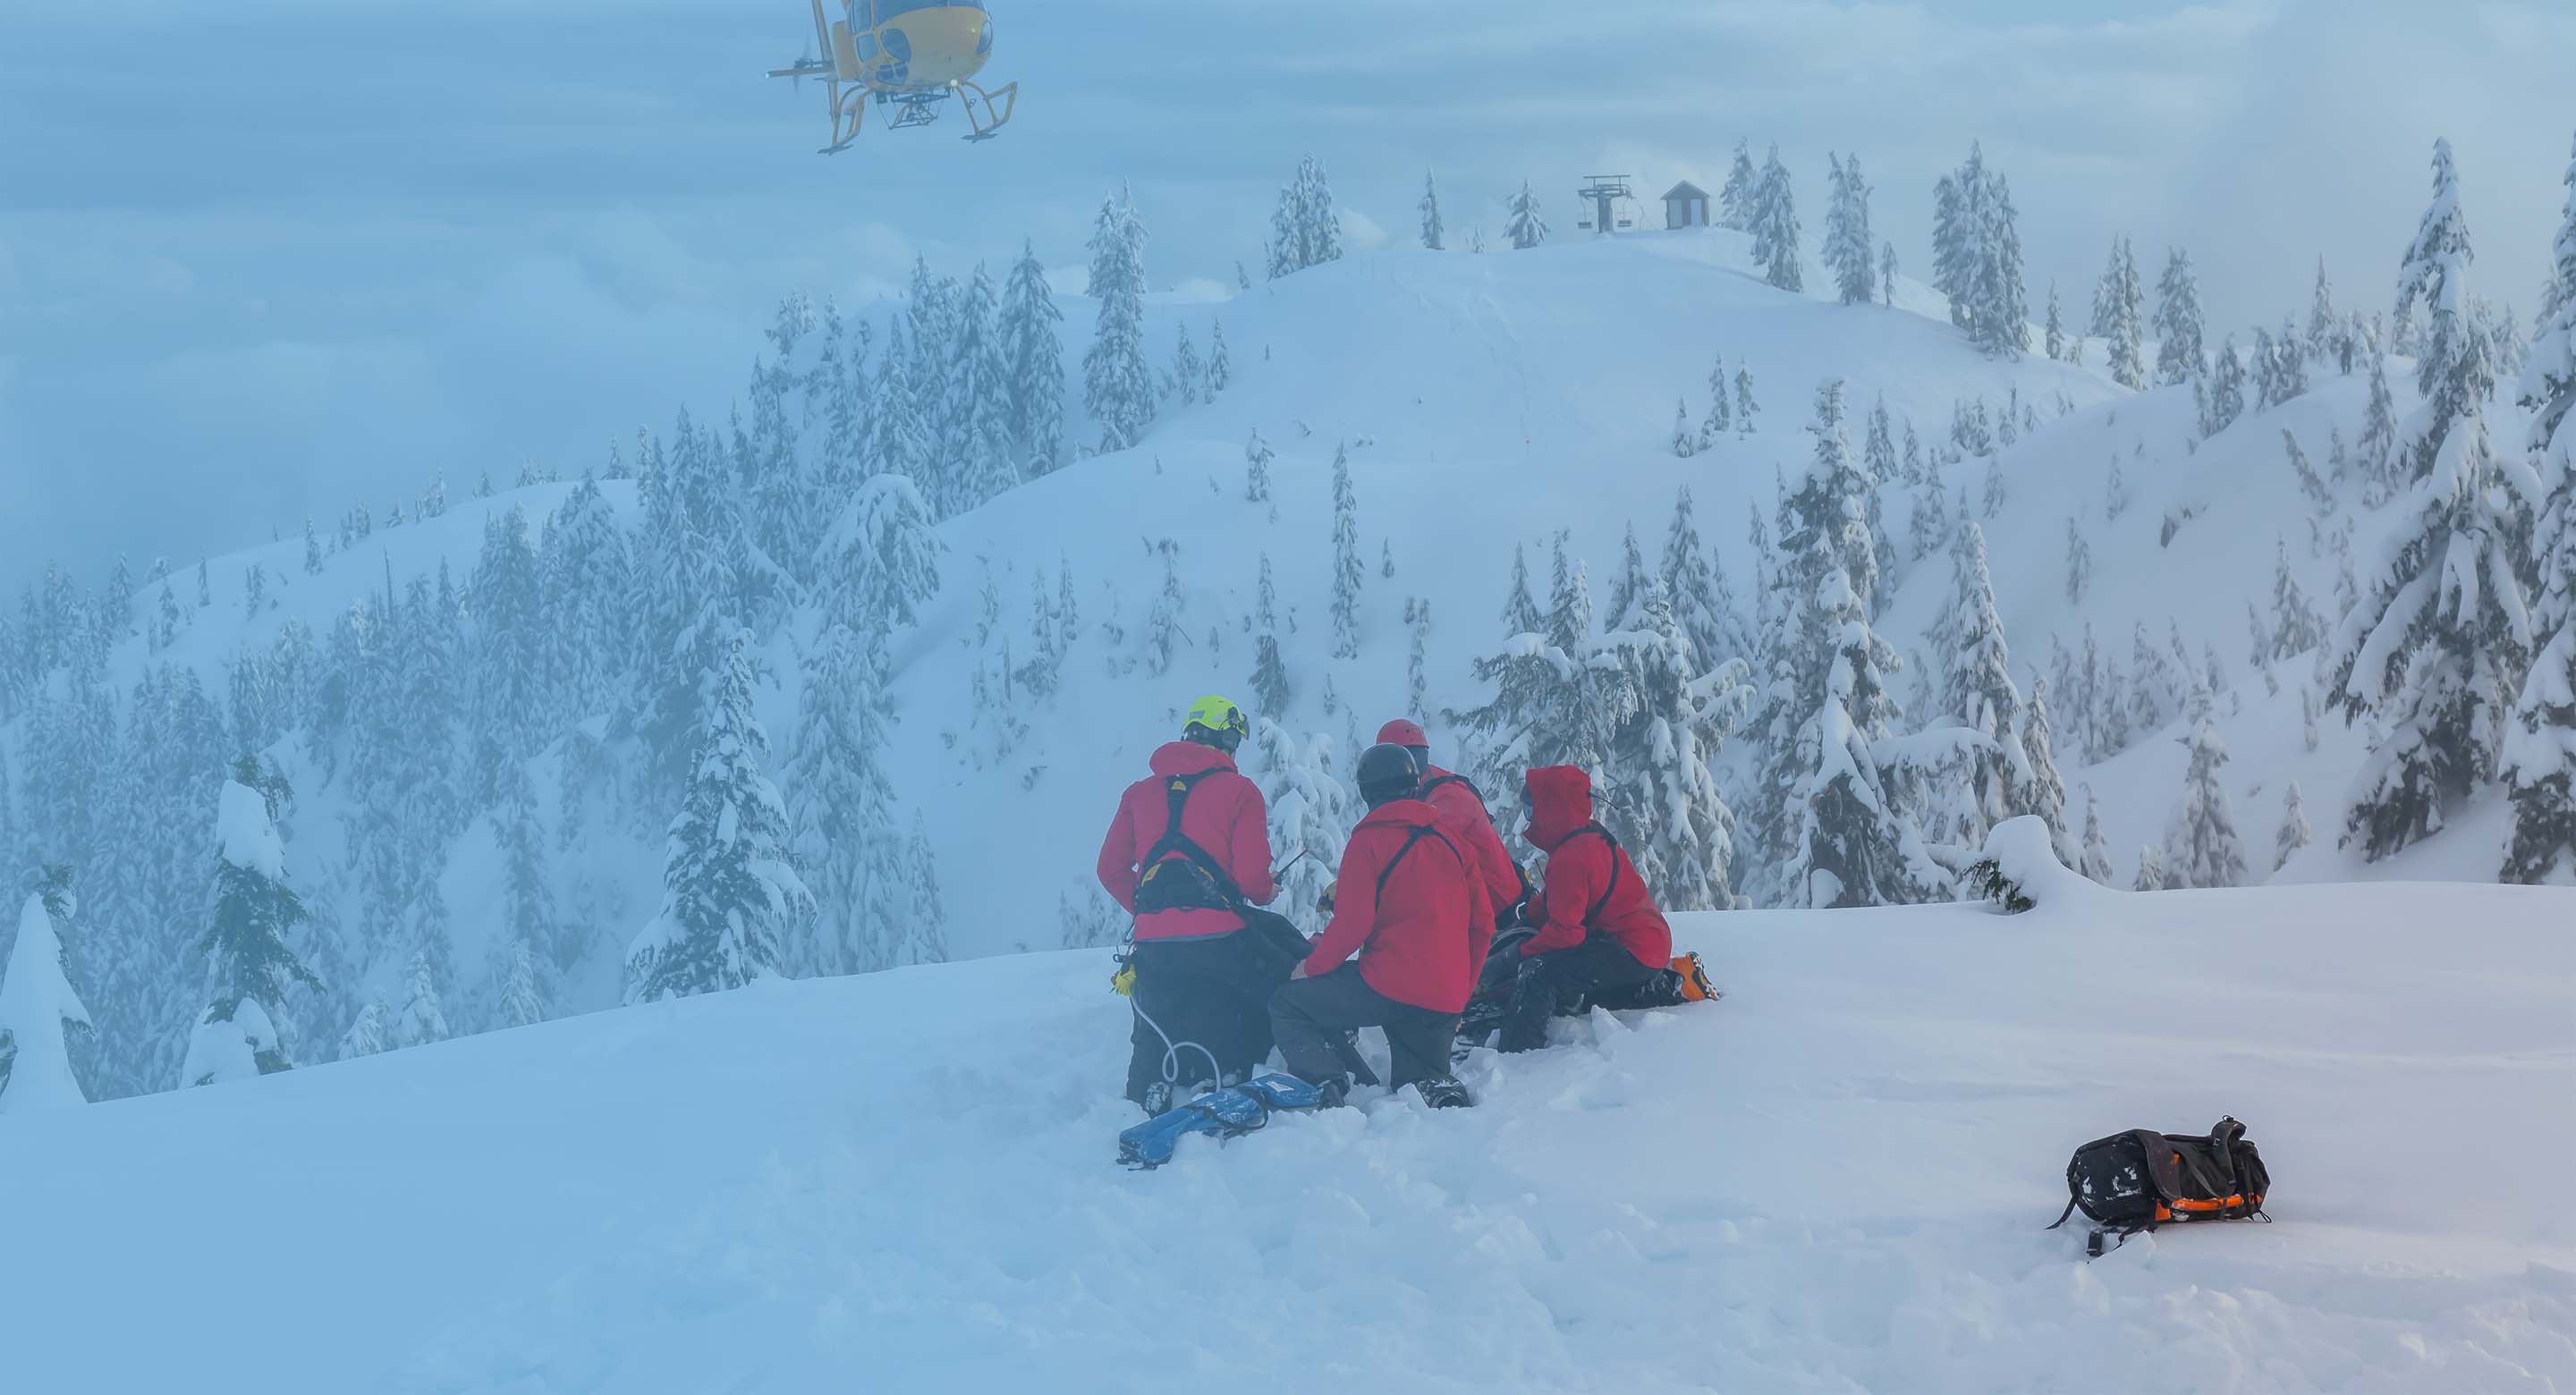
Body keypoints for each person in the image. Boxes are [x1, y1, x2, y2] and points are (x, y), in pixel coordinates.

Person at [1097, 695, 1297, 1112]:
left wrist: (1151, 913)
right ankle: (1228, 1072)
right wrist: (1267, 892)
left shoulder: (1138, 794)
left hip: (1153, 944)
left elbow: (1110, 868)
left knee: (1155, 1018)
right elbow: (1252, 881)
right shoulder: (1241, 792)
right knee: (1267, 985)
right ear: (1225, 738)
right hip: (1222, 937)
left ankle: (1147, 1088)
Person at [1270, 744, 1487, 1108]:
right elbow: (1482, 924)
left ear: (1366, 792)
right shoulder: (1454, 842)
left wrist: (1311, 966)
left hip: (1389, 986)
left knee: (1289, 1004)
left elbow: (1353, 924)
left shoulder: (1368, 841)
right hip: (1444, 997)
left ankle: (1328, 1080)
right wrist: (1460, 993)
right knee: (1419, 1086)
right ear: (1415, 786)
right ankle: (1435, 1093)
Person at [1496, 765, 1677, 1053]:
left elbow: (1566, 934)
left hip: (1632, 948)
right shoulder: (1585, 835)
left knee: (1538, 974)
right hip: (1644, 941)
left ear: (1551, 809)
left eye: (1531, 810)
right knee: (1566, 967)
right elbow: (1561, 897)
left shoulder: (1571, 856)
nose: (1529, 818)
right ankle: (1644, 989)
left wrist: (1518, 952)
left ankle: (1518, 1054)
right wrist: (1526, 919)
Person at [1375, 719, 1525, 946]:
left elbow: (1414, 852)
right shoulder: (1419, 786)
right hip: (1477, 911)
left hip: (1500, 915)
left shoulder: (1449, 798)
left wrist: (1367, 882)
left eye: (1418, 756)